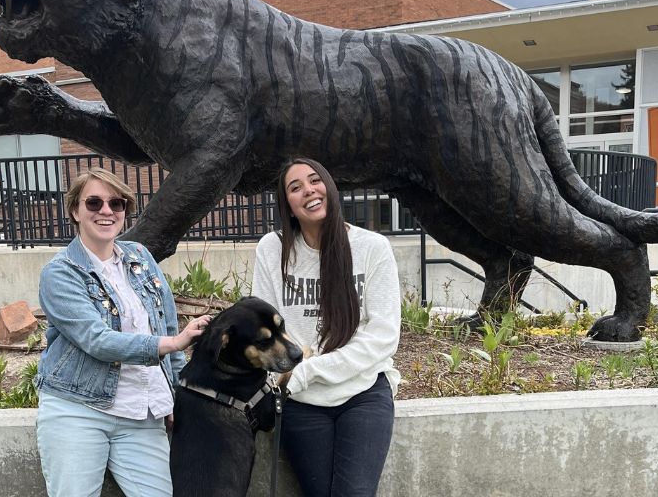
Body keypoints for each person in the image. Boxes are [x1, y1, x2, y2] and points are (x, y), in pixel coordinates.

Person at [34, 167, 210, 497]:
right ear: (75, 210)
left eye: (116, 203)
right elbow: (96, 339)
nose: (106, 211)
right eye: (94, 203)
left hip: (142, 414)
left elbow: (166, 324)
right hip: (78, 411)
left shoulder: (139, 257)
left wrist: (177, 395)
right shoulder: (60, 273)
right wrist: (171, 343)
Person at [252, 157, 402, 496]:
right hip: (301, 401)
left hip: (362, 393)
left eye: (315, 180)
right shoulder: (272, 249)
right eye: (295, 187)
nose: (308, 190)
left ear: (330, 189)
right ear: (288, 205)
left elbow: (383, 336)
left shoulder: (372, 248)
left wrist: (310, 370)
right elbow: (263, 330)